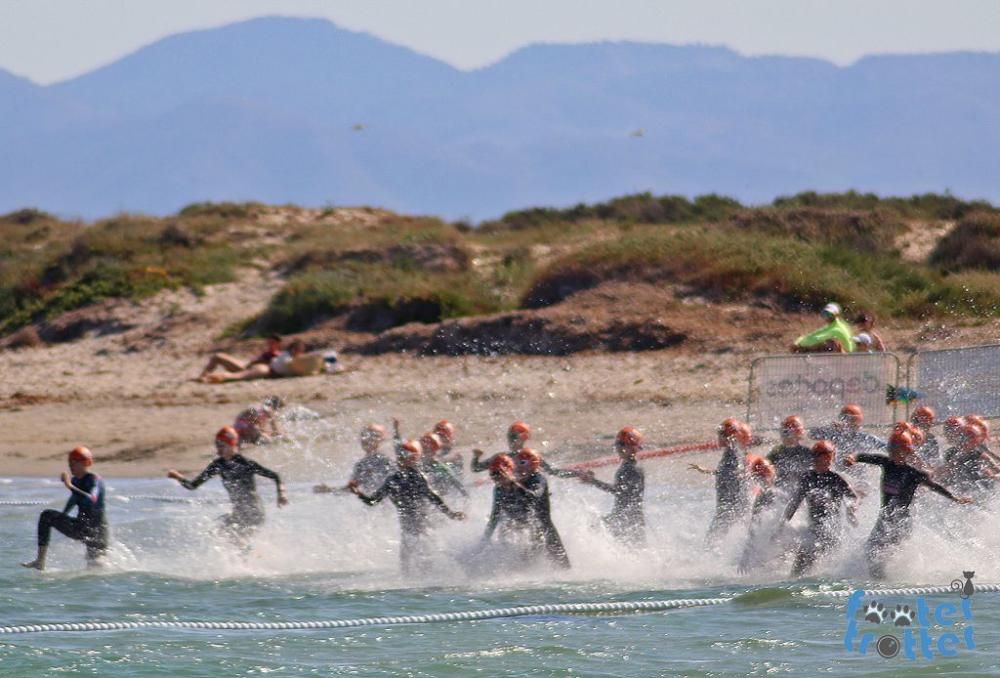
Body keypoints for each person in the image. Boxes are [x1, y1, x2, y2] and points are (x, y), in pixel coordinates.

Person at [844, 430, 971, 578]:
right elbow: (862, 456)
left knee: (884, 555)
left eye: (897, 450)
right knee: (870, 551)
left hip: (901, 522)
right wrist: (851, 458)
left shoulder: (914, 474)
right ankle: (877, 582)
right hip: (885, 518)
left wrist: (955, 498)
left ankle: (891, 582)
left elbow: (934, 486)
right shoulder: (886, 463)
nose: (893, 453)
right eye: (891, 449)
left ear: (907, 451)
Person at [348, 439, 465, 574]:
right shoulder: (392, 479)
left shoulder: (418, 477)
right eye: (401, 457)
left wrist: (451, 514)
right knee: (406, 566)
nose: (402, 460)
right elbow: (372, 501)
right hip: (407, 531)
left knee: (425, 562)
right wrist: (358, 493)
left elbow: (433, 498)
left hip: (424, 529)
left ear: (414, 459)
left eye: (407, 457)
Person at [168, 426, 288, 545]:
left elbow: (275, 476)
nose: (218, 449)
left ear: (232, 444)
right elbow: (193, 485)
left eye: (221, 445)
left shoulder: (246, 464)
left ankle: (248, 558)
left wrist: (281, 494)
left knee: (237, 540)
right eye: (217, 444)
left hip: (255, 513)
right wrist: (178, 477)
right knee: (217, 533)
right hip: (238, 513)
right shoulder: (218, 465)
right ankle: (249, 559)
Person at [21, 447, 108, 570]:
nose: (71, 466)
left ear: (86, 463)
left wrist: (69, 485)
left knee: (96, 567)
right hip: (81, 527)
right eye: (70, 463)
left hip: (97, 533)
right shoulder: (76, 480)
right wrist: (62, 517)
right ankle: (40, 561)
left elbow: (91, 499)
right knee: (47, 516)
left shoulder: (94, 480)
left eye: (75, 462)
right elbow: (74, 500)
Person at [781, 441, 858, 577]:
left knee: (814, 562)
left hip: (832, 530)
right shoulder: (808, 478)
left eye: (828, 457)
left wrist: (851, 509)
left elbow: (853, 497)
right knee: (800, 564)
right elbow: (795, 502)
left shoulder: (835, 478)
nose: (823, 460)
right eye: (817, 456)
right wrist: (782, 524)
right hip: (814, 529)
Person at [577, 426, 646, 547]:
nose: (617, 448)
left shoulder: (631, 469)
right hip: (626, 518)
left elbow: (618, 491)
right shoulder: (629, 465)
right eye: (617, 444)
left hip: (627, 521)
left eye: (620, 444)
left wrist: (593, 481)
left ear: (630, 447)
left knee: (595, 529)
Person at [690, 418, 752, 546]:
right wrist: (706, 471)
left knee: (711, 542)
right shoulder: (733, 451)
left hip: (731, 507)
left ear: (731, 437)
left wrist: (708, 471)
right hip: (733, 505)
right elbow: (730, 473)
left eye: (722, 435)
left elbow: (732, 474)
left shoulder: (733, 453)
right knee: (724, 540)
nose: (718, 437)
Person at [511, 448, 571, 568]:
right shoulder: (520, 482)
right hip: (533, 531)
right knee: (524, 565)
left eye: (522, 463)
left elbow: (535, 494)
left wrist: (517, 486)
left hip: (546, 531)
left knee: (563, 568)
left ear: (533, 464)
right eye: (516, 463)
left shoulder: (538, 479)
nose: (518, 467)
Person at [471, 421, 580, 479]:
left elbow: (554, 472)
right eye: (509, 437)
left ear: (523, 438)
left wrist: (578, 473)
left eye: (513, 437)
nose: (511, 441)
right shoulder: (502, 457)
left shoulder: (530, 456)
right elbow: (476, 469)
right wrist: (476, 457)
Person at [313, 423, 394, 495]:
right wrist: (329, 490)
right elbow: (351, 489)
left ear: (379, 440)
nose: (365, 439)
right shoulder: (361, 465)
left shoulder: (385, 462)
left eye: (371, 436)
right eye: (363, 436)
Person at [202, 339, 307, 383]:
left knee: (235, 373)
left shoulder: (284, 355)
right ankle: (206, 377)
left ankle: (204, 377)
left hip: (258, 366)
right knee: (236, 376)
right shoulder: (287, 358)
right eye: (300, 350)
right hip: (264, 369)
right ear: (295, 350)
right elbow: (291, 366)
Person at [199, 335, 282, 381]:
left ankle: (207, 377)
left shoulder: (278, 355)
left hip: (249, 370)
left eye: (272, 343)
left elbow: (274, 368)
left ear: (278, 344)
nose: (269, 344)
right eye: (269, 342)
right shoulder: (268, 352)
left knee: (218, 357)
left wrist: (259, 361)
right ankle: (203, 375)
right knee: (217, 356)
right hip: (246, 365)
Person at [766, 415, 813, 491]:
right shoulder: (776, 452)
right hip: (781, 491)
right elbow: (765, 470)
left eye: (788, 430)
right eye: (785, 430)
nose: (786, 433)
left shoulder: (807, 452)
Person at [791, 302, 855, 354]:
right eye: (824, 314)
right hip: (843, 353)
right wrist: (798, 341)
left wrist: (799, 345)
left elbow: (816, 339)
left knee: (829, 343)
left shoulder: (837, 329)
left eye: (829, 314)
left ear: (836, 315)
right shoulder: (832, 326)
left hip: (847, 357)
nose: (826, 316)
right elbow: (813, 335)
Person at [419, 432, 468, 497]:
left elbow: (454, 481)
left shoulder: (439, 466)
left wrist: (464, 493)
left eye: (426, 450)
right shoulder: (418, 461)